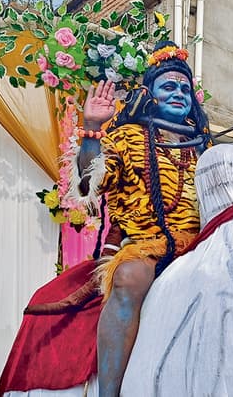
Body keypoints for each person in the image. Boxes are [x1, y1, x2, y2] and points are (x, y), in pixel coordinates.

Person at [76, 40, 210, 396]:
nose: (179, 93)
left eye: (185, 89)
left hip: (202, 246)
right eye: (169, 87)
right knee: (129, 277)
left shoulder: (205, 146)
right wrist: (92, 128)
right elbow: (92, 180)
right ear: (149, 95)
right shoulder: (127, 137)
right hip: (146, 248)